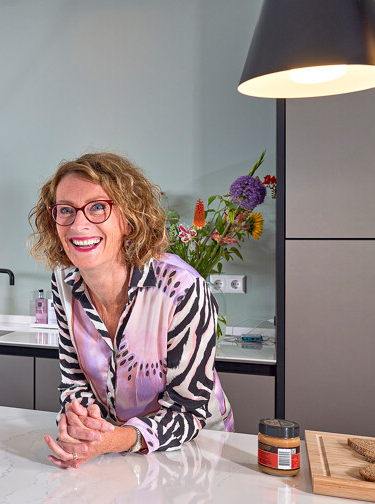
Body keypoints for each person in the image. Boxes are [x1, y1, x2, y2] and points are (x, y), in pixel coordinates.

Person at [28, 152, 233, 468]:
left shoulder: (181, 288)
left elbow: (189, 411)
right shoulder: (64, 282)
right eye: (66, 210)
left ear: (129, 218)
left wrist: (111, 439)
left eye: (98, 207)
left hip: (195, 454)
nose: (78, 224)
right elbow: (74, 382)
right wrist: (82, 425)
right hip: (111, 449)